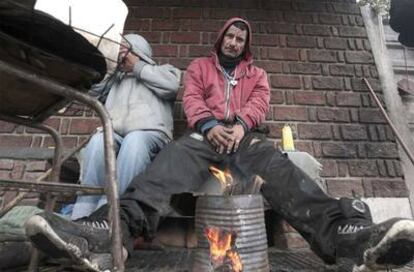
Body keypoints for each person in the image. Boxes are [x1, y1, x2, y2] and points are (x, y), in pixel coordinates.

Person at [25, 18, 414, 271]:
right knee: (170, 163)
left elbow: (260, 104)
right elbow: (192, 99)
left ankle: (344, 236)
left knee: (278, 166)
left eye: (240, 38)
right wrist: (210, 124)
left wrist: (241, 125)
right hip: (204, 137)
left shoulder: (257, 74)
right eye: (229, 35)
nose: (233, 41)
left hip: (244, 140)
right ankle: (111, 231)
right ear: (220, 39)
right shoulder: (199, 67)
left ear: (246, 45)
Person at [69, 34, 181, 219]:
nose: (120, 53)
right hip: (117, 135)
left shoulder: (162, 70)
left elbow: (170, 86)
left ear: (137, 51)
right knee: (98, 142)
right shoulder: (116, 80)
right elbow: (93, 94)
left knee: (134, 140)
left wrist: (137, 66)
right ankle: (82, 212)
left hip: (152, 135)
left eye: (123, 49)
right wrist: (111, 68)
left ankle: (111, 211)